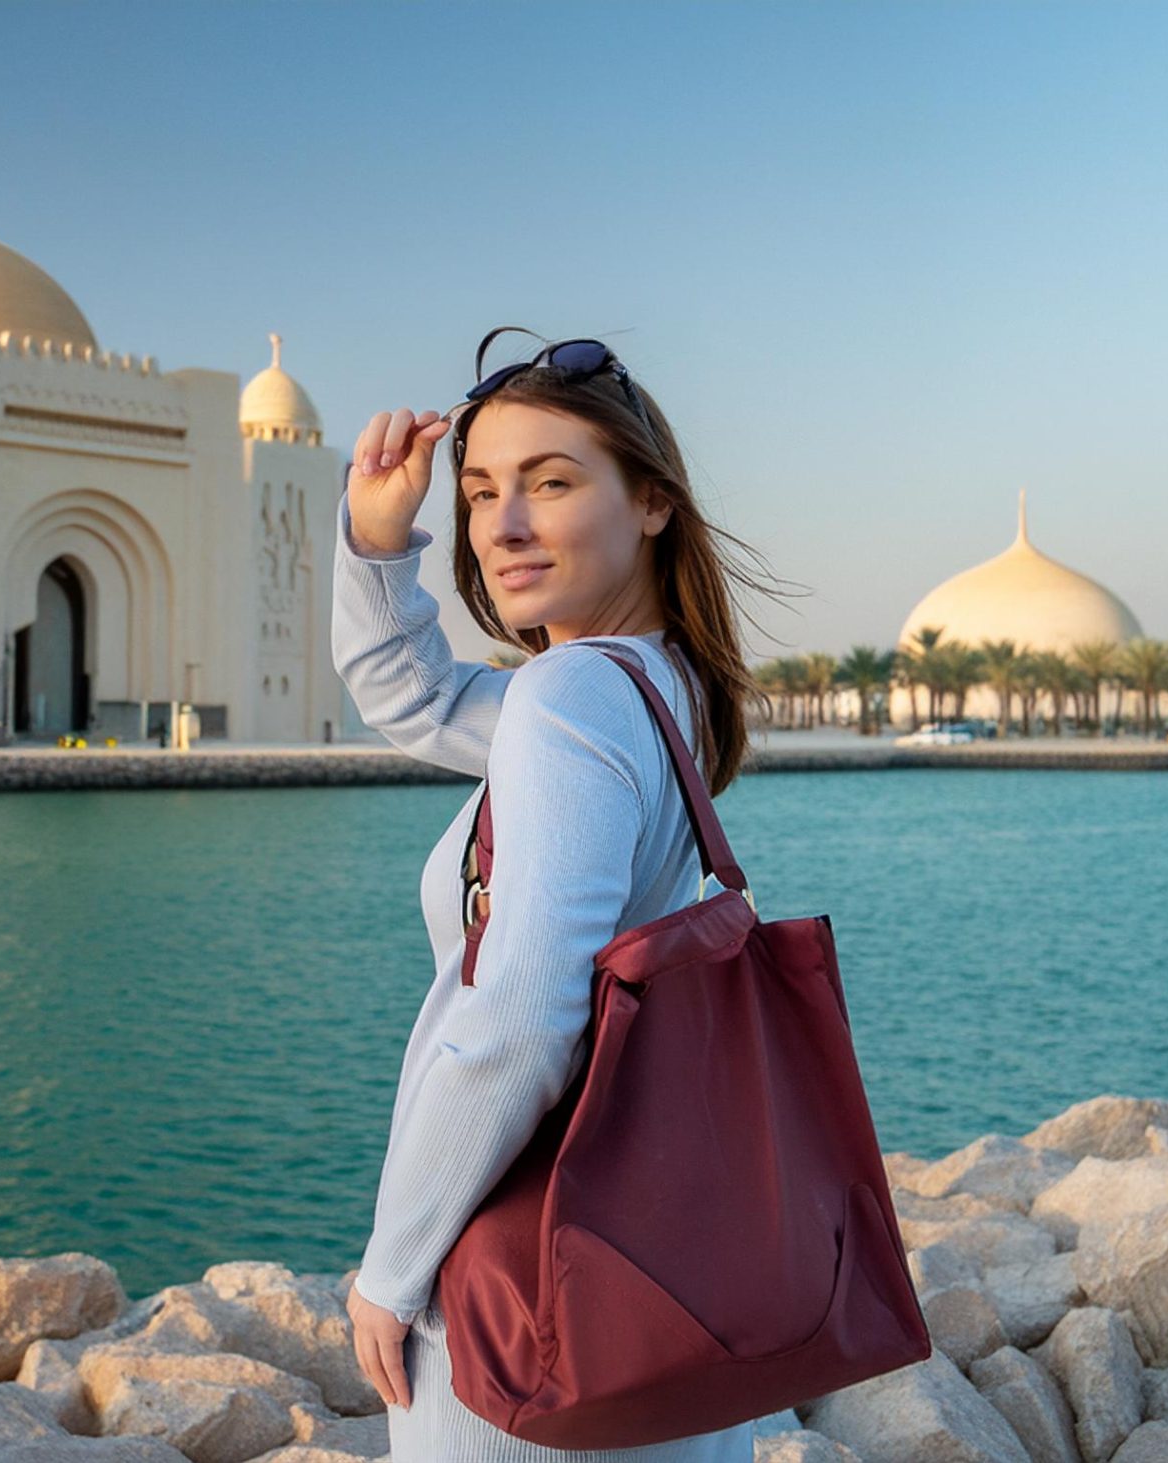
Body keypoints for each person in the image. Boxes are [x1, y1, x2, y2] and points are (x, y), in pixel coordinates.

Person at [331, 329, 796, 1461]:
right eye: (482, 490)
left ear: (651, 503)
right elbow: (419, 699)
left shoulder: (573, 696)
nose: (502, 524)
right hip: (659, 1275)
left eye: (550, 482)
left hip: (529, 1305)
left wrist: (391, 1274)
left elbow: (524, 1010)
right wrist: (378, 545)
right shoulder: (655, 684)